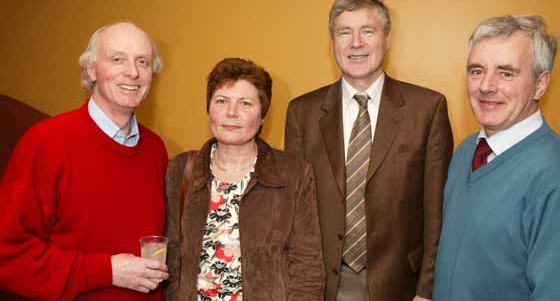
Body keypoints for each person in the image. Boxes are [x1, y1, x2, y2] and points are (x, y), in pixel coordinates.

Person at [285, 0, 453, 301]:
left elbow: (437, 212)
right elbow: (295, 213)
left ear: (387, 39)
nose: (356, 43)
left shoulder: (428, 109)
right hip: (320, 286)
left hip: (401, 285)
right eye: (344, 32)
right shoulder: (301, 113)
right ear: (332, 42)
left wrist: (426, 291)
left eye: (367, 31)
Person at [433, 15, 560, 301]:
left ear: (540, 84)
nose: (486, 85)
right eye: (476, 71)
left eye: (506, 73)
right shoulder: (465, 153)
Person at [0, 22, 169, 300]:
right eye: (117, 59)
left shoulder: (155, 149)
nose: (133, 72)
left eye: (143, 61)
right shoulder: (46, 142)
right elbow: (9, 257)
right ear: (91, 70)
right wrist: (108, 270)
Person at [164, 58, 324, 301]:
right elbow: (171, 259)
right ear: (209, 109)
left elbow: (308, 267)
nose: (231, 112)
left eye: (245, 103)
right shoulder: (181, 169)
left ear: (262, 117)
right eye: (221, 101)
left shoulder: (294, 173)